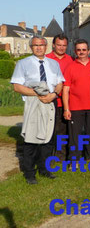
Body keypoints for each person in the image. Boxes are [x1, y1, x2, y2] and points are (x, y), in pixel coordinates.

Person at [11, 35, 64, 184]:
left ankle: (44, 169)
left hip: (51, 102)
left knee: (48, 139)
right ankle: (29, 173)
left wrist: (53, 95)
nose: (39, 47)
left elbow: (60, 83)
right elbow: (17, 86)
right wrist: (38, 93)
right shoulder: (23, 63)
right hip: (34, 102)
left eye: (42, 45)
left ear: (46, 46)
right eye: (36, 45)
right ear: (31, 47)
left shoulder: (54, 64)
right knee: (31, 139)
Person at [63, 39, 90, 163]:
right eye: (79, 50)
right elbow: (65, 90)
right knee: (75, 136)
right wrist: (66, 108)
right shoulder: (70, 67)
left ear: (89, 51)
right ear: (75, 52)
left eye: (84, 50)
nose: (81, 52)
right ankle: (74, 159)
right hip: (75, 107)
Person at [46, 33, 73, 161]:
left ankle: (61, 156)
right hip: (49, 100)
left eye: (64, 45)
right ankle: (48, 155)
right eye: (59, 45)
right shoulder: (46, 59)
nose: (61, 48)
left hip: (65, 101)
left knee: (63, 130)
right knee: (49, 130)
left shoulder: (70, 60)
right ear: (53, 45)